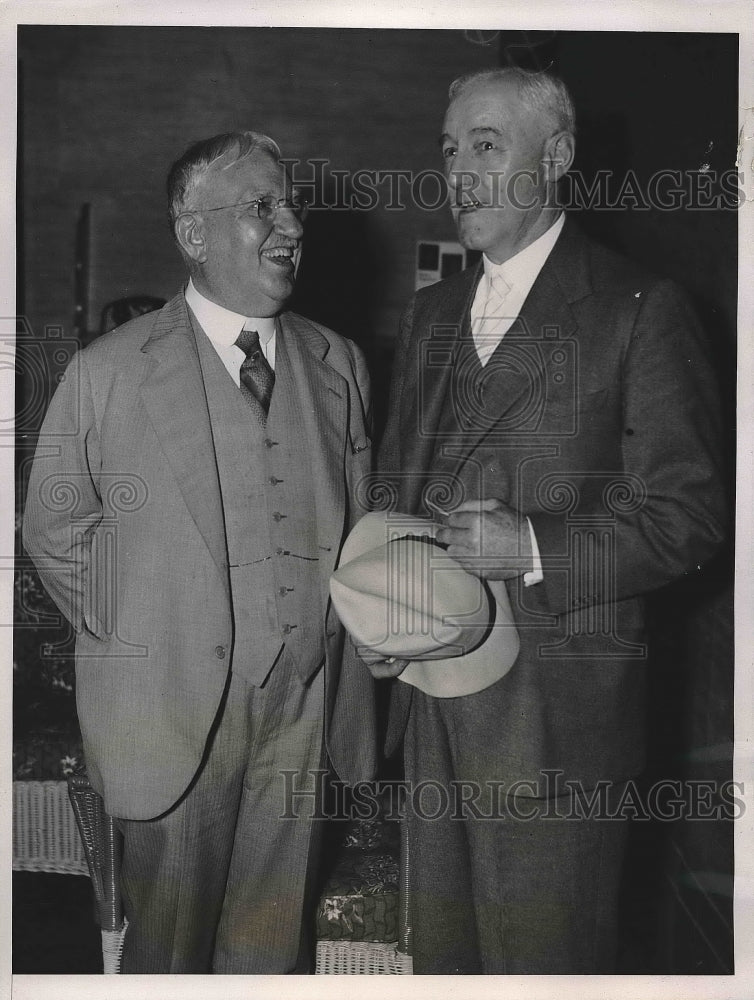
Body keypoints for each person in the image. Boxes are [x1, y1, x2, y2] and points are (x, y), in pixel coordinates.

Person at [372, 68, 726, 974]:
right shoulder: (431, 314)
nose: (459, 172)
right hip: (432, 706)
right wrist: (375, 601)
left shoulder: (640, 307)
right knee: (441, 967)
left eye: (486, 145)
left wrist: (530, 545)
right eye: (450, 150)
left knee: (544, 968)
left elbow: (688, 521)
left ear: (558, 157)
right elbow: (397, 489)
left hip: (556, 729)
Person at [22, 130, 376, 974]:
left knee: (269, 950)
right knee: (169, 955)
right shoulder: (108, 372)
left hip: (305, 710)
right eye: (263, 206)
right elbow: (53, 532)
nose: (290, 223)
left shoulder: (343, 364)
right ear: (194, 233)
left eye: (292, 204)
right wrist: (141, 634)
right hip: (172, 717)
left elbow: (359, 524)